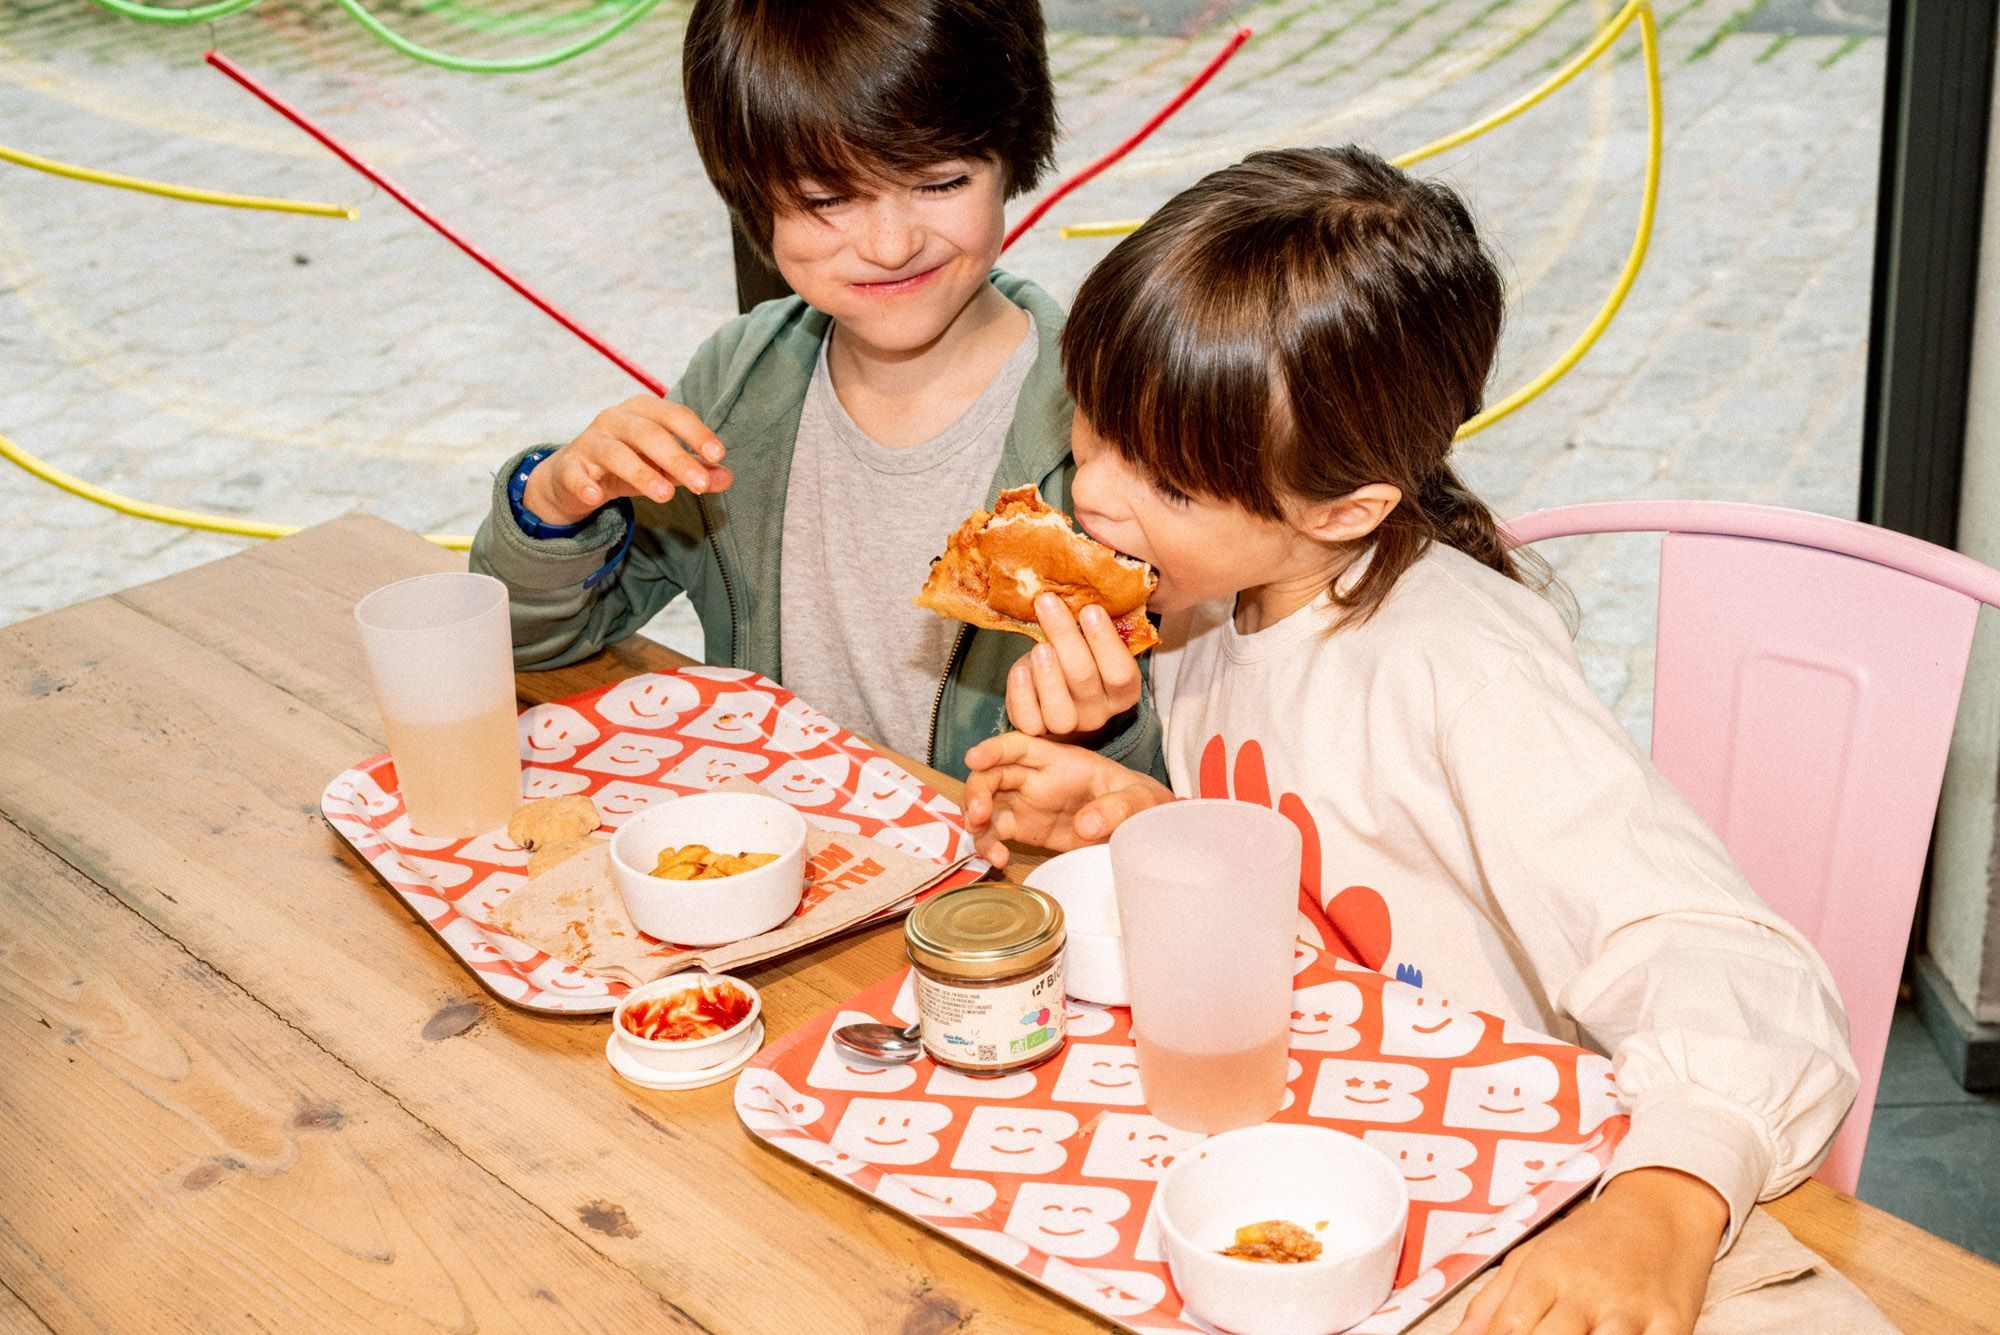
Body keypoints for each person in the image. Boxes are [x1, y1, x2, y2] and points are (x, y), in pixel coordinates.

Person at [964, 146, 1879, 1334]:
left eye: (1167, 486)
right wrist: (1154, 824)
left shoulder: (1462, 670)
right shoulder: (1202, 612)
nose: (1091, 495)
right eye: (1091, 430)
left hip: (1531, 1193)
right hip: (1329, 1159)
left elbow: (1723, 963)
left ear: (1341, 510)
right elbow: (1325, 885)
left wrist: (1662, 1201)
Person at [469, 0, 1159, 780]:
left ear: (1014, 154)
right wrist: (555, 507)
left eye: (940, 182)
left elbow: (1169, 773)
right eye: (828, 199)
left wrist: (1099, 731)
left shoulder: (1116, 424)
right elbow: (527, 645)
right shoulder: (735, 387)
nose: (891, 245)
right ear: (749, 197)